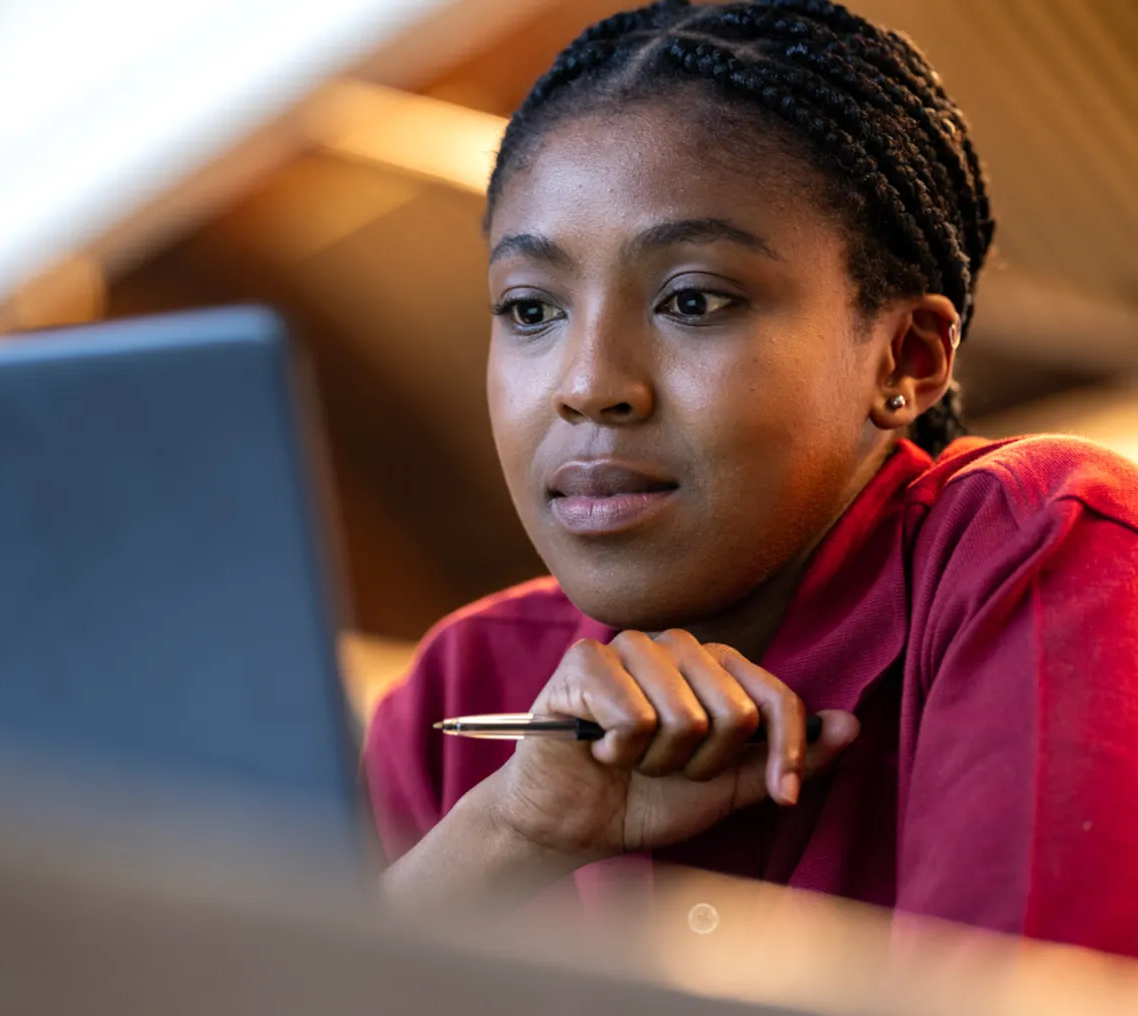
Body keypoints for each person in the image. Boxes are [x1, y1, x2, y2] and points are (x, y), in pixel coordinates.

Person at [365, 0, 1138, 957]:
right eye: (530, 310)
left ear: (907, 359)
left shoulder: (1031, 547)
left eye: (693, 300)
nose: (588, 385)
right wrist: (511, 833)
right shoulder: (460, 689)